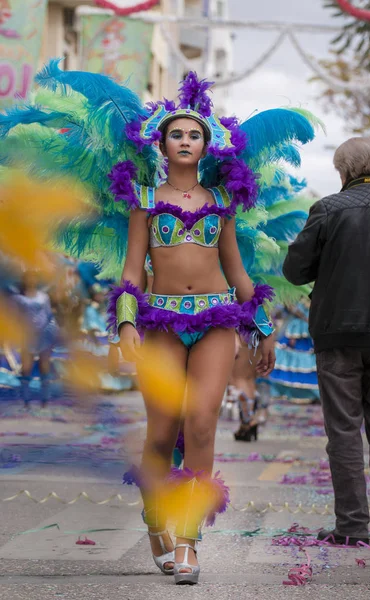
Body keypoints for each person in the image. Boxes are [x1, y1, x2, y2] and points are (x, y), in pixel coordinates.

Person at [0, 62, 318, 583]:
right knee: (162, 427)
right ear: (161, 144)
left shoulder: (221, 203)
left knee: (202, 420)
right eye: (178, 135)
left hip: (217, 319)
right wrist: (125, 325)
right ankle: (155, 517)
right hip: (161, 323)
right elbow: (130, 272)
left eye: (195, 134)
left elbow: (239, 272)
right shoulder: (144, 202)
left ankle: (189, 539)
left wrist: (260, 328)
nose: (187, 141)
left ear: (207, 144)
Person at [283, 137, 370, 547]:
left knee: (344, 432)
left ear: (342, 172)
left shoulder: (327, 209)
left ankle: (352, 526)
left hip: (337, 333)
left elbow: (295, 270)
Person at [13, 270, 59, 408]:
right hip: (27, 335)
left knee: (44, 367)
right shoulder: (18, 298)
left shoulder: (43, 297)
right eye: (29, 278)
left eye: (34, 278)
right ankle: (25, 399)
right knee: (26, 368)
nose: (32, 281)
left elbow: (49, 315)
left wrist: (52, 331)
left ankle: (45, 399)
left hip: (44, 334)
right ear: (24, 280)